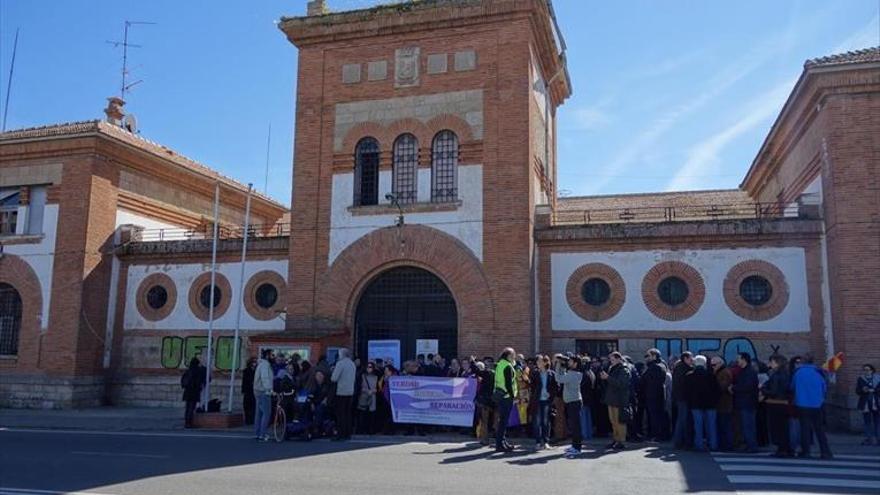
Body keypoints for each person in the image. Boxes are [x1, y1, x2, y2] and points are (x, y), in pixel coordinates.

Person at [791, 355, 832, 459]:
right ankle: (825, 452)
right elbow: (825, 387)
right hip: (817, 404)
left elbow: (792, 387)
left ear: (803, 362)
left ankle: (806, 452)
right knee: (819, 429)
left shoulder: (798, 373)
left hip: (802, 404)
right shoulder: (819, 372)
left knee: (805, 429)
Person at [686, 355, 720, 452]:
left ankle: (699, 445)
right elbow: (717, 390)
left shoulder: (689, 375)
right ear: (705, 364)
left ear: (695, 364)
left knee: (698, 425)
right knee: (711, 425)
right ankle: (713, 445)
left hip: (695, 404)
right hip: (710, 404)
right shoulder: (711, 375)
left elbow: (687, 392)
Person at [762, 354, 792, 457]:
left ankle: (781, 449)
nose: (770, 364)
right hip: (784, 403)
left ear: (776, 362)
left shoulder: (776, 375)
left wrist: (763, 389)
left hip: (775, 403)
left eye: (771, 362)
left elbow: (773, 391)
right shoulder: (786, 373)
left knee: (777, 428)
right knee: (783, 428)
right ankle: (786, 448)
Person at [601, 351, 631, 450]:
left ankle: (621, 441)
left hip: (619, 400)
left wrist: (608, 378)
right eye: (610, 359)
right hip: (612, 399)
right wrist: (605, 378)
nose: (611, 361)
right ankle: (616, 439)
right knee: (613, 421)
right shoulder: (613, 368)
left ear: (619, 359)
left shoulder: (624, 369)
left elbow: (622, 384)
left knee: (620, 422)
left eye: (613, 359)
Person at [555, 355, 584, 458]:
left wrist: (558, 365)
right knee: (573, 425)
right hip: (572, 402)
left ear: (575, 363)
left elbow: (558, 378)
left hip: (574, 402)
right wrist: (562, 366)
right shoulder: (572, 373)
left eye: (570, 361)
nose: (568, 363)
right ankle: (574, 445)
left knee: (576, 426)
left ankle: (577, 448)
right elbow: (563, 376)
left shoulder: (574, 374)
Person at [731, 353, 759, 453]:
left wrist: (733, 388)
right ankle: (749, 445)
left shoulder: (749, 372)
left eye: (738, 358)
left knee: (748, 426)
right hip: (744, 402)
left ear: (744, 360)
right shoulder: (745, 371)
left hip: (747, 403)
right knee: (745, 426)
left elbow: (747, 386)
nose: (737, 360)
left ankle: (752, 446)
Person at [529, 355, 557, 450]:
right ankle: (537, 442)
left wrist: (551, 394)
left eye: (540, 361)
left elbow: (556, 387)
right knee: (536, 422)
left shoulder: (551, 374)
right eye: (537, 362)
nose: (538, 363)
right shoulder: (535, 373)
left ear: (545, 362)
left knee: (545, 421)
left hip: (546, 401)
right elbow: (531, 386)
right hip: (537, 400)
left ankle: (545, 442)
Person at [493, 347, 518, 453]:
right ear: (508, 356)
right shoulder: (507, 366)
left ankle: (502, 442)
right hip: (506, 396)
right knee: (503, 421)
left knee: (502, 420)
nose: (514, 357)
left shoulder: (500, 364)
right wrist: (512, 396)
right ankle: (500, 444)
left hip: (500, 395)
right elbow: (509, 384)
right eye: (513, 355)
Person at [641, 348, 669, 441]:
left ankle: (656, 435)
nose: (646, 358)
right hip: (655, 396)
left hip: (653, 396)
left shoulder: (656, 367)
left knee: (655, 417)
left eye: (648, 356)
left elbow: (649, 382)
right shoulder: (659, 365)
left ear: (654, 356)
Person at [330, 348, 357, 441]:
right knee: (347, 413)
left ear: (341, 354)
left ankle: (340, 434)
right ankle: (347, 433)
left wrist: (333, 371)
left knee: (340, 414)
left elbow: (334, 378)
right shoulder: (352, 364)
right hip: (350, 391)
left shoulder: (340, 363)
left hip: (341, 391)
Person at [671, 352, 694, 449]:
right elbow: (684, 384)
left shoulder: (678, 368)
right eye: (690, 358)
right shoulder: (685, 369)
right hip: (684, 397)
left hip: (679, 397)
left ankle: (678, 441)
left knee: (681, 419)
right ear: (685, 358)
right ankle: (681, 442)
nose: (692, 360)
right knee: (683, 420)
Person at [253, 349, 275, 441]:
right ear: (267, 356)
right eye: (272, 355)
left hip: (258, 390)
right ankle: (262, 434)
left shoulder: (261, 364)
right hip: (264, 391)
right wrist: (269, 389)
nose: (273, 357)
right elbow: (265, 378)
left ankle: (258, 433)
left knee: (259, 413)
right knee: (266, 413)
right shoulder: (265, 365)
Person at [856, 364, 880, 445]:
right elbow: (857, 391)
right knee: (867, 422)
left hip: (876, 403)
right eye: (865, 370)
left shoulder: (878, 378)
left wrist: (874, 390)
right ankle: (869, 439)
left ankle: (878, 439)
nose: (866, 371)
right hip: (865, 403)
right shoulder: (861, 379)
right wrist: (863, 390)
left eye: (868, 370)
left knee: (877, 422)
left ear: (872, 370)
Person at [181, 357, 206, 428]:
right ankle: (189, 423)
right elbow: (200, 381)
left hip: (187, 391)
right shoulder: (198, 371)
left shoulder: (188, 371)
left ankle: (186, 422)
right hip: (194, 392)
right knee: (192, 407)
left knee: (188, 407)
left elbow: (183, 381)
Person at [357, 361, 379, 434]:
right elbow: (360, 387)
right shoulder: (362, 376)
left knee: (372, 414)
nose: (369, 368)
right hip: (364, 396)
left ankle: (371, 430)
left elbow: (377, 387)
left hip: (373, 396)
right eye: (368, 367)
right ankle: (362, 429)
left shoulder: (376, 377)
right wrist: (367, 391)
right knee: (363, 414)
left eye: (370, 367)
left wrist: (374, 391)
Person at [241, 357, 257, 425]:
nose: (254, 364)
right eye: (253, 362)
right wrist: (243, 390)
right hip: (248, 390)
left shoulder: (257, 370)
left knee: (254, 406)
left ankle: (252, 419)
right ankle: (247, 420)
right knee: (247, 405)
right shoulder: (246, 371)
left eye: (255, 362)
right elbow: (244, 381)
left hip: (255, 390)